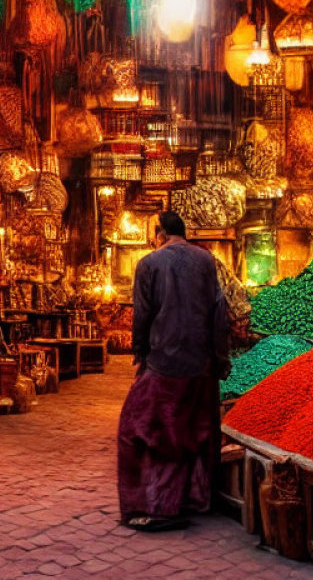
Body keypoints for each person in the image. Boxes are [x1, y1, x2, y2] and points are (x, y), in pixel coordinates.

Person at [117, 211, 230, 531]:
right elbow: (218, 309)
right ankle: (195, 499)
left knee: (140, 430)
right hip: (201, 365)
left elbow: (142, 315)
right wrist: (219, 358)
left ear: (159, 234)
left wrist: (140, 355)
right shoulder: (206, 261)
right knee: (193, 430)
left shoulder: (150, 263)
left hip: (165, 363)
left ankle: (155, 507)